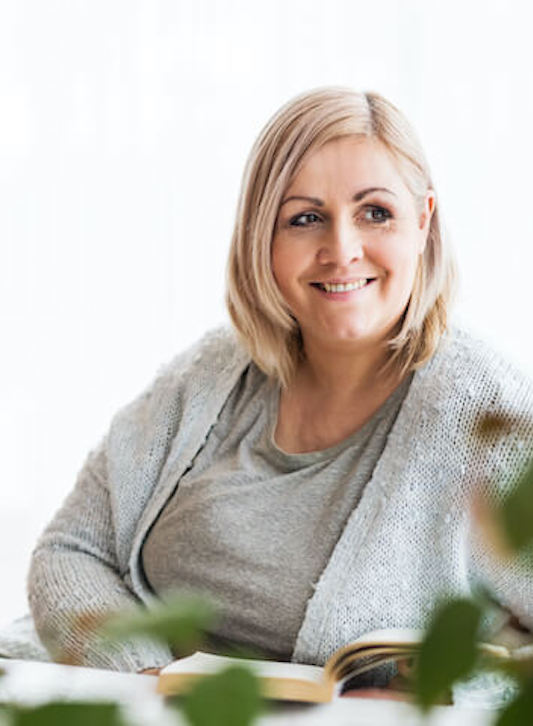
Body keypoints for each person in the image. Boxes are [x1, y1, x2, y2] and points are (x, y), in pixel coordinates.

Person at [1, 87, 532, 703]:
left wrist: (439, 695)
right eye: (305, 218)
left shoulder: (484, 412)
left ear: (424, 222)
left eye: (375, 213)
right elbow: (71, 551)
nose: (342, 250)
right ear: (264, 239)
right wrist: (145, 682)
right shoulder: (211, 374)